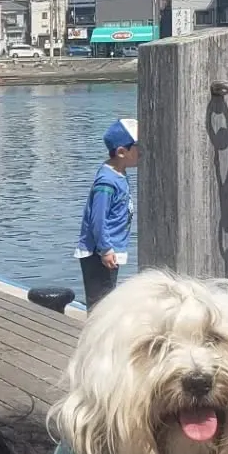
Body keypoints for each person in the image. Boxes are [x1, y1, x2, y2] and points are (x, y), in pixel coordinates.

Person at [75, 117, 139, 310]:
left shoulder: (118, 174)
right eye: (138, 147)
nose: (143, 151)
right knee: (100, 304)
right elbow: (98, 219)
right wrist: (106, 249)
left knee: (107, 299)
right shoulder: (107, 182)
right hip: (100, 252)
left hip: (111, 249)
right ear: (121, 152)